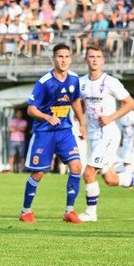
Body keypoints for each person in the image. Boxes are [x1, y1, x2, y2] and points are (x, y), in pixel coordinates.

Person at [78, 45, 134, 222]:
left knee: (88, 174)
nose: (94, 59)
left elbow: (130, 103)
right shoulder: (81, 82)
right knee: (110, 179)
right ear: (86, 59)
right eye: (91, 56)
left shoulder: (111, 82)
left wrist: (111, 117)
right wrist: (81, 123)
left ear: (103, 60)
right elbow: (81, 105)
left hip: (108, 135)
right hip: (94, 136)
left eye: (98, 56)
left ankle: (90, 213)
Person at [19, 43, 88, 224]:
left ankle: (69, 211)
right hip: (44, 133)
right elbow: (31, 109)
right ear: (54, 58)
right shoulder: (44, 82)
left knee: (76, 167)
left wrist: (82, 123)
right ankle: (25, 211)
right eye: (60, 56)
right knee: (38, 174)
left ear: (71, 58)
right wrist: (46, 117)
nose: (63, 60)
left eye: (67, 56)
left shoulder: (74, 79)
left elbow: (75, 102)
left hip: (65, 131)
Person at [7, 109, 28, 173]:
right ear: (16, 114)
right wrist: (19, 128)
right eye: (18, 113)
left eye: (20, 113)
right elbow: (10, 129)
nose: (19, 115)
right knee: (12, 155)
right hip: (13, 140)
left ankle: (21, 170)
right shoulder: (12, 121)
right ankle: (11, 169)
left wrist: (15, 127)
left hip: (21, 141)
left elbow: (23, 129)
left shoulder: (24, 121)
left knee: (21, 156)